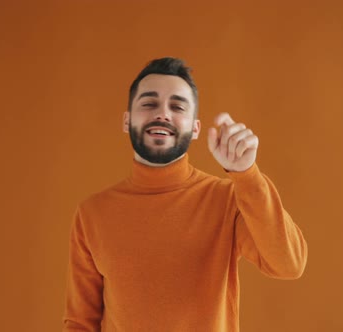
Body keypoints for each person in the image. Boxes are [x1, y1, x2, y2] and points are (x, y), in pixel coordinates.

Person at [62, 57, 308, 332]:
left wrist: (247, 174)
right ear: (126, 120)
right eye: (148, 103)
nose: (162, 114)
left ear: (195, 129)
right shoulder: (93, 213)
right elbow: (81, 322)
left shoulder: (228, 200)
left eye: (177, 106)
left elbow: (289, 264)